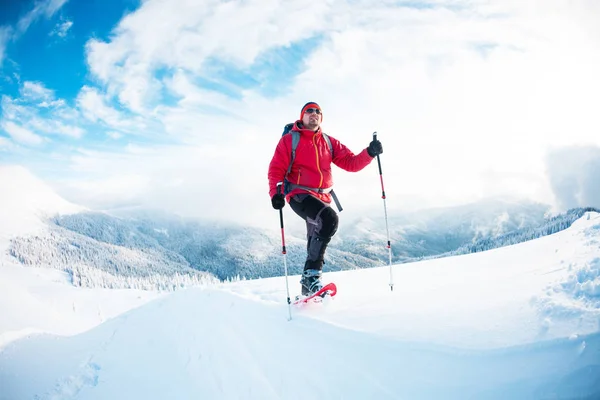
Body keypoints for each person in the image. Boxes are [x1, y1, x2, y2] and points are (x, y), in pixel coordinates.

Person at [267, 101, 383, 296]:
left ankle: (308, 286)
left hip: (322, 196)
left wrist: (370, 153)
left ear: (321, 118)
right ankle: (312, 277)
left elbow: (351, 163)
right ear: (302, 116)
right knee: (329, 219)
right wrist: (275, 194)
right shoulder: (289, 140)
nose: (314, 114)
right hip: (299, 195)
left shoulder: (328, 142)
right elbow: (276, 169)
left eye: (318, 112)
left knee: (315, 238)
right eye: (309, 111)